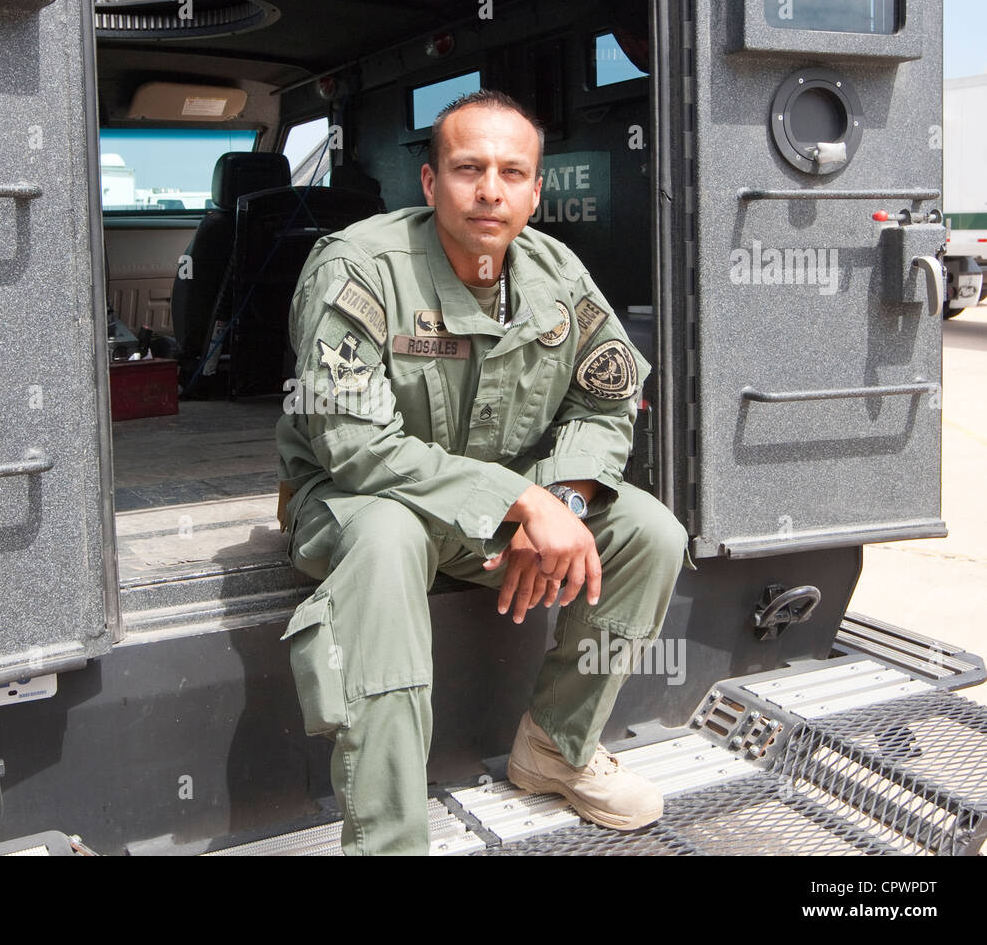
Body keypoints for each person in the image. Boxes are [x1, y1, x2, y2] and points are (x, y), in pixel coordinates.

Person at [274, 90, 689, 855]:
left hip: (498, 514)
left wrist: (559, 501)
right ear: (430, 184)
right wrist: (524, 499)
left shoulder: (555, 272)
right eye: (468, 169)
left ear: (536, 189)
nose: (489, 190)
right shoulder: (358, 269)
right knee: (390, 538)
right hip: (357, 503)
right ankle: (389, 840)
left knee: (652, 532)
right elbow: (354, 449)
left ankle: (555, 749)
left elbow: (608, 403)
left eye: (511, 171)